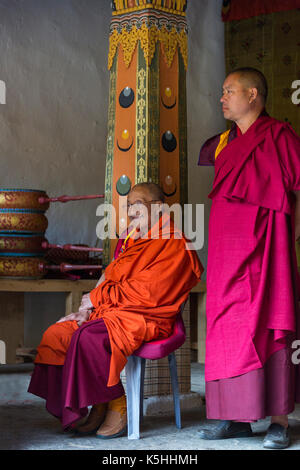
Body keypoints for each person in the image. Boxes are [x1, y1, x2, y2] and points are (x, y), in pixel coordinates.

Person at [28, 182, 203, 439]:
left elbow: (148, 294)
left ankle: (116, 401)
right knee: (58, 335)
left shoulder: (174, 242)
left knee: (86, 337)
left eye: (138, 205)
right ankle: (98, 402)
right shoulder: (131, 238)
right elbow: (109, 275)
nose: (131, 211)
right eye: (129, 205)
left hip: (147, 316)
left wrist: (97, 298)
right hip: (113, 311)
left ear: (158, 207)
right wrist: (87, 310)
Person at [197, 67, 300, 449]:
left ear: (253, 94)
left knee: (273, 323)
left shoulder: (280, 137)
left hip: (269, 250)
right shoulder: (223, 143)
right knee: (227, 326)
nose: (222, 98)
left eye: (229, 91)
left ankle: (279, 421)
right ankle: (235, 418)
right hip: (227, 253)